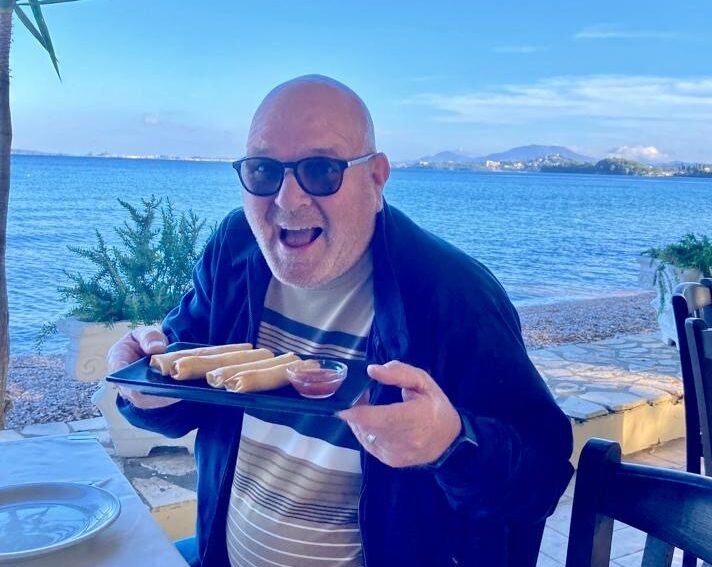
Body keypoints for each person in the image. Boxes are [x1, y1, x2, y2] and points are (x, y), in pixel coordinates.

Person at [108, 75, 574, 567]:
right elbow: (187, 396)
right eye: (264, 171)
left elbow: (539, 477)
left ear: (375, 179)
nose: (288, 200)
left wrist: (452, 442)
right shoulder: (234, 250)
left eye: (321, 170)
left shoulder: (451, 293)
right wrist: (145, 391)